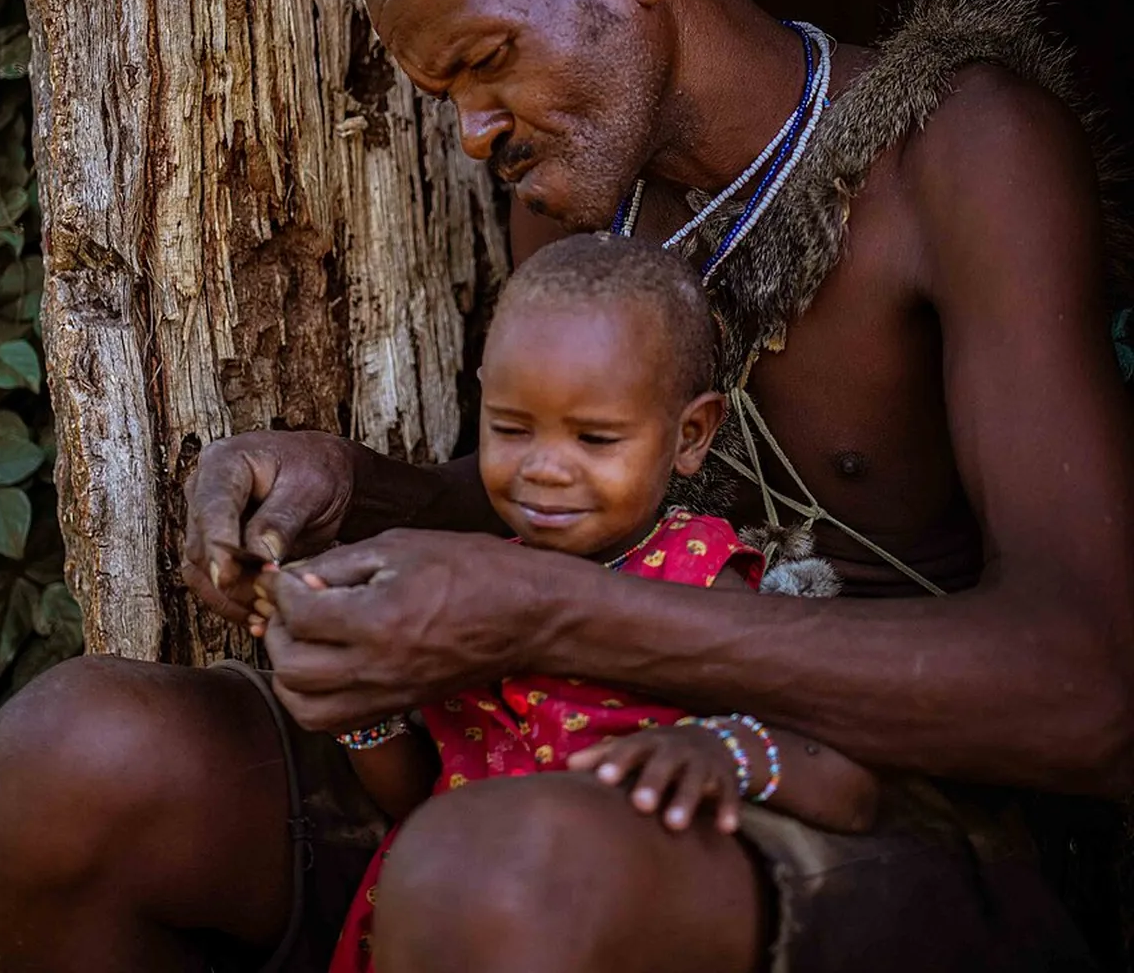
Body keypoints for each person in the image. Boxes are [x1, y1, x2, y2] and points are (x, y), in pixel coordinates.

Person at [0, 0, 1132, 973]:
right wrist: (366, 490)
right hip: (565, 741)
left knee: (494, 871)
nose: (469, 129)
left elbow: (1097, 689)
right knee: (78, 758)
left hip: (882, 806)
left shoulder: (960, 154)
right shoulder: (589, 214)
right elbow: (577, 500)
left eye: (483, 61)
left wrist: (555, 613)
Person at [314, 233, 877, 973]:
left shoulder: (701, 577)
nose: (545, 469)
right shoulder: (472, 587)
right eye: (511, 428)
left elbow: (848, 783)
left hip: (597, 922)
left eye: (595, 438)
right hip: (432, 920)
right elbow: (420, 798)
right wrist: (360, 706)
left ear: (691, 436)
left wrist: (723, 752)